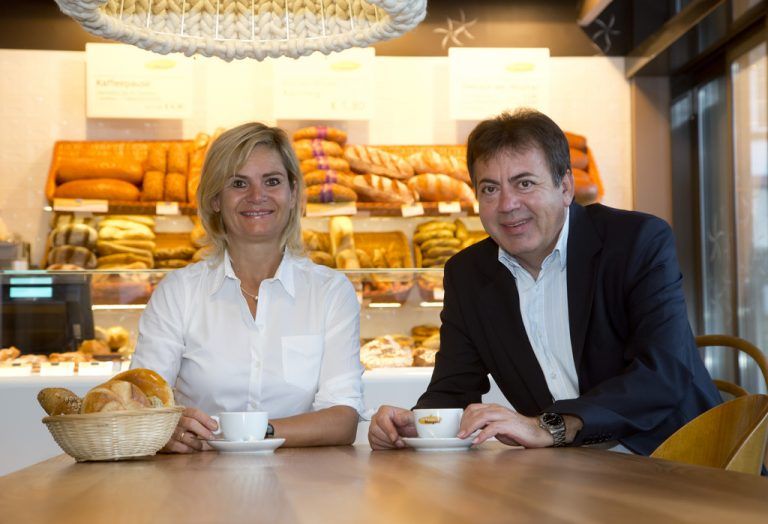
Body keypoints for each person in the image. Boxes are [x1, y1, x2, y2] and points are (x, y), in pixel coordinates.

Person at [369, 109, 721, 455]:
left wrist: (549, 426)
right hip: (571, 474)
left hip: (680, 459)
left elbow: (662, 375)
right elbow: (453, 389)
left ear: (565, 187)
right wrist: (415, 425)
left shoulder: (636, 242)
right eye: (489, 189)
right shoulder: (468, 274)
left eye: (525, 183)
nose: (507, 204)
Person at [132, 122, 364, 452]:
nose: (257, 196)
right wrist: (165, 427)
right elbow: (139, 399)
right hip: (195, 486)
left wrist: (248, 432)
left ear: (293, 193)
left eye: (272, 181)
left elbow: (342, 419)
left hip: (305, 487)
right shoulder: (178, 293)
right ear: (215, 199)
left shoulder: (330, 293)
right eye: (239, 183)